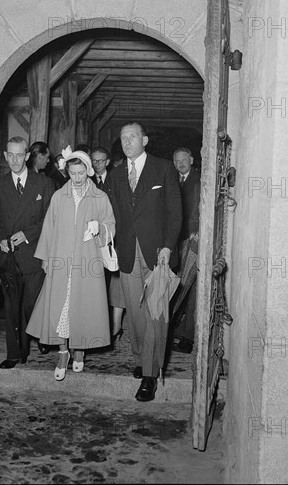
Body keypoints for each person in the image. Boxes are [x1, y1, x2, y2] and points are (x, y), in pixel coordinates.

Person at [106, 122, 182, 402]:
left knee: (155, 314)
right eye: (123, 137)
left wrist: (168, 248)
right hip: (127, 252)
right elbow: (111, 215)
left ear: (145, 140)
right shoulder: (114, 175)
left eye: (133, 136)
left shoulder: (163, 168)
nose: (127, 142)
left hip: (156, 253)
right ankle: (141, 357)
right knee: (135, 314)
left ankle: (151, 374)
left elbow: (175, 214)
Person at [26, 147, 115, 381]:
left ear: (88, 171)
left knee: (83, 307)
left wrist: (100, 228)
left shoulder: (100, 197)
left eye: (81, 173)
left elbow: (111, 225)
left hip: (87, 263)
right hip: (61, 261)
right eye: (72, 173)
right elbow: (48, 229)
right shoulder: (59, 197)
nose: (76, 178)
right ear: (67, 172)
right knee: (61, 309)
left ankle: (80, 350)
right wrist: (45, 257)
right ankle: (63, 353)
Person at [0, 136, 54, 369]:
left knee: (31, 304)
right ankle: (15, 352)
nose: (15, 160)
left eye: (20, 155)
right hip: (9, 255)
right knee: (12, 307)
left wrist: (27, 234)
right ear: (5, 156)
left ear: (28, 156)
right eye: (10, 155)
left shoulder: (44, 184)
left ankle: (38, 336)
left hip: (34, 254)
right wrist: (1, 238)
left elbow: (50, 219)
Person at [92, 146, 125, 340]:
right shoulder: (85, 181)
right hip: (92, 241)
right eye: (94, 160)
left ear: (107, 162)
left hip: (113, 239)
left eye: (100, 161)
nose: (96, 164)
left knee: (112, 282)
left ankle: (114, 325)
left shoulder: (115, 180)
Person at [171, 148, 201, 354]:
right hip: (175, 240)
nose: (181, 163)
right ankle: (175, 328)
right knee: (177, 282)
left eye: (184, 159)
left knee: (190, 285)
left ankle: (187, 336)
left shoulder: (200, 179)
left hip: (193, 239)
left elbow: (199, 209)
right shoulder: (172, 179)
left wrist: (196, 231)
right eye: (177, 160)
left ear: (191, 160)